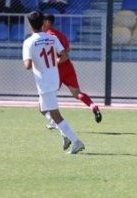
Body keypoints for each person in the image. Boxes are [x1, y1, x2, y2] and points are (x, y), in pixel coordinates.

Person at [22, 10, 85, 154]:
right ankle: (65, 135)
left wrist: (32, 61)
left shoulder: (29, 42)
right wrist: (52, 64)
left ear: (30, 25)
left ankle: (76, 141)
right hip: (53, 77)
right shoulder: (51, 38)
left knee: (55, 114)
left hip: (44, 81)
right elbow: (64, 55)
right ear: (43, 23)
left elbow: (27, 66)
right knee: (43, 108)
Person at [43, 12, 102, 124]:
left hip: (57, 69)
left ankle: (53, 121)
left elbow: (58, 54)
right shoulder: (61, 34)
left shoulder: (48, 37)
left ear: (47, 22)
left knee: (49, 95)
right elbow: (67, 50)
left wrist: (54, 62)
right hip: (68, 67)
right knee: (76, 93)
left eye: (42, 22)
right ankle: (92, 105)